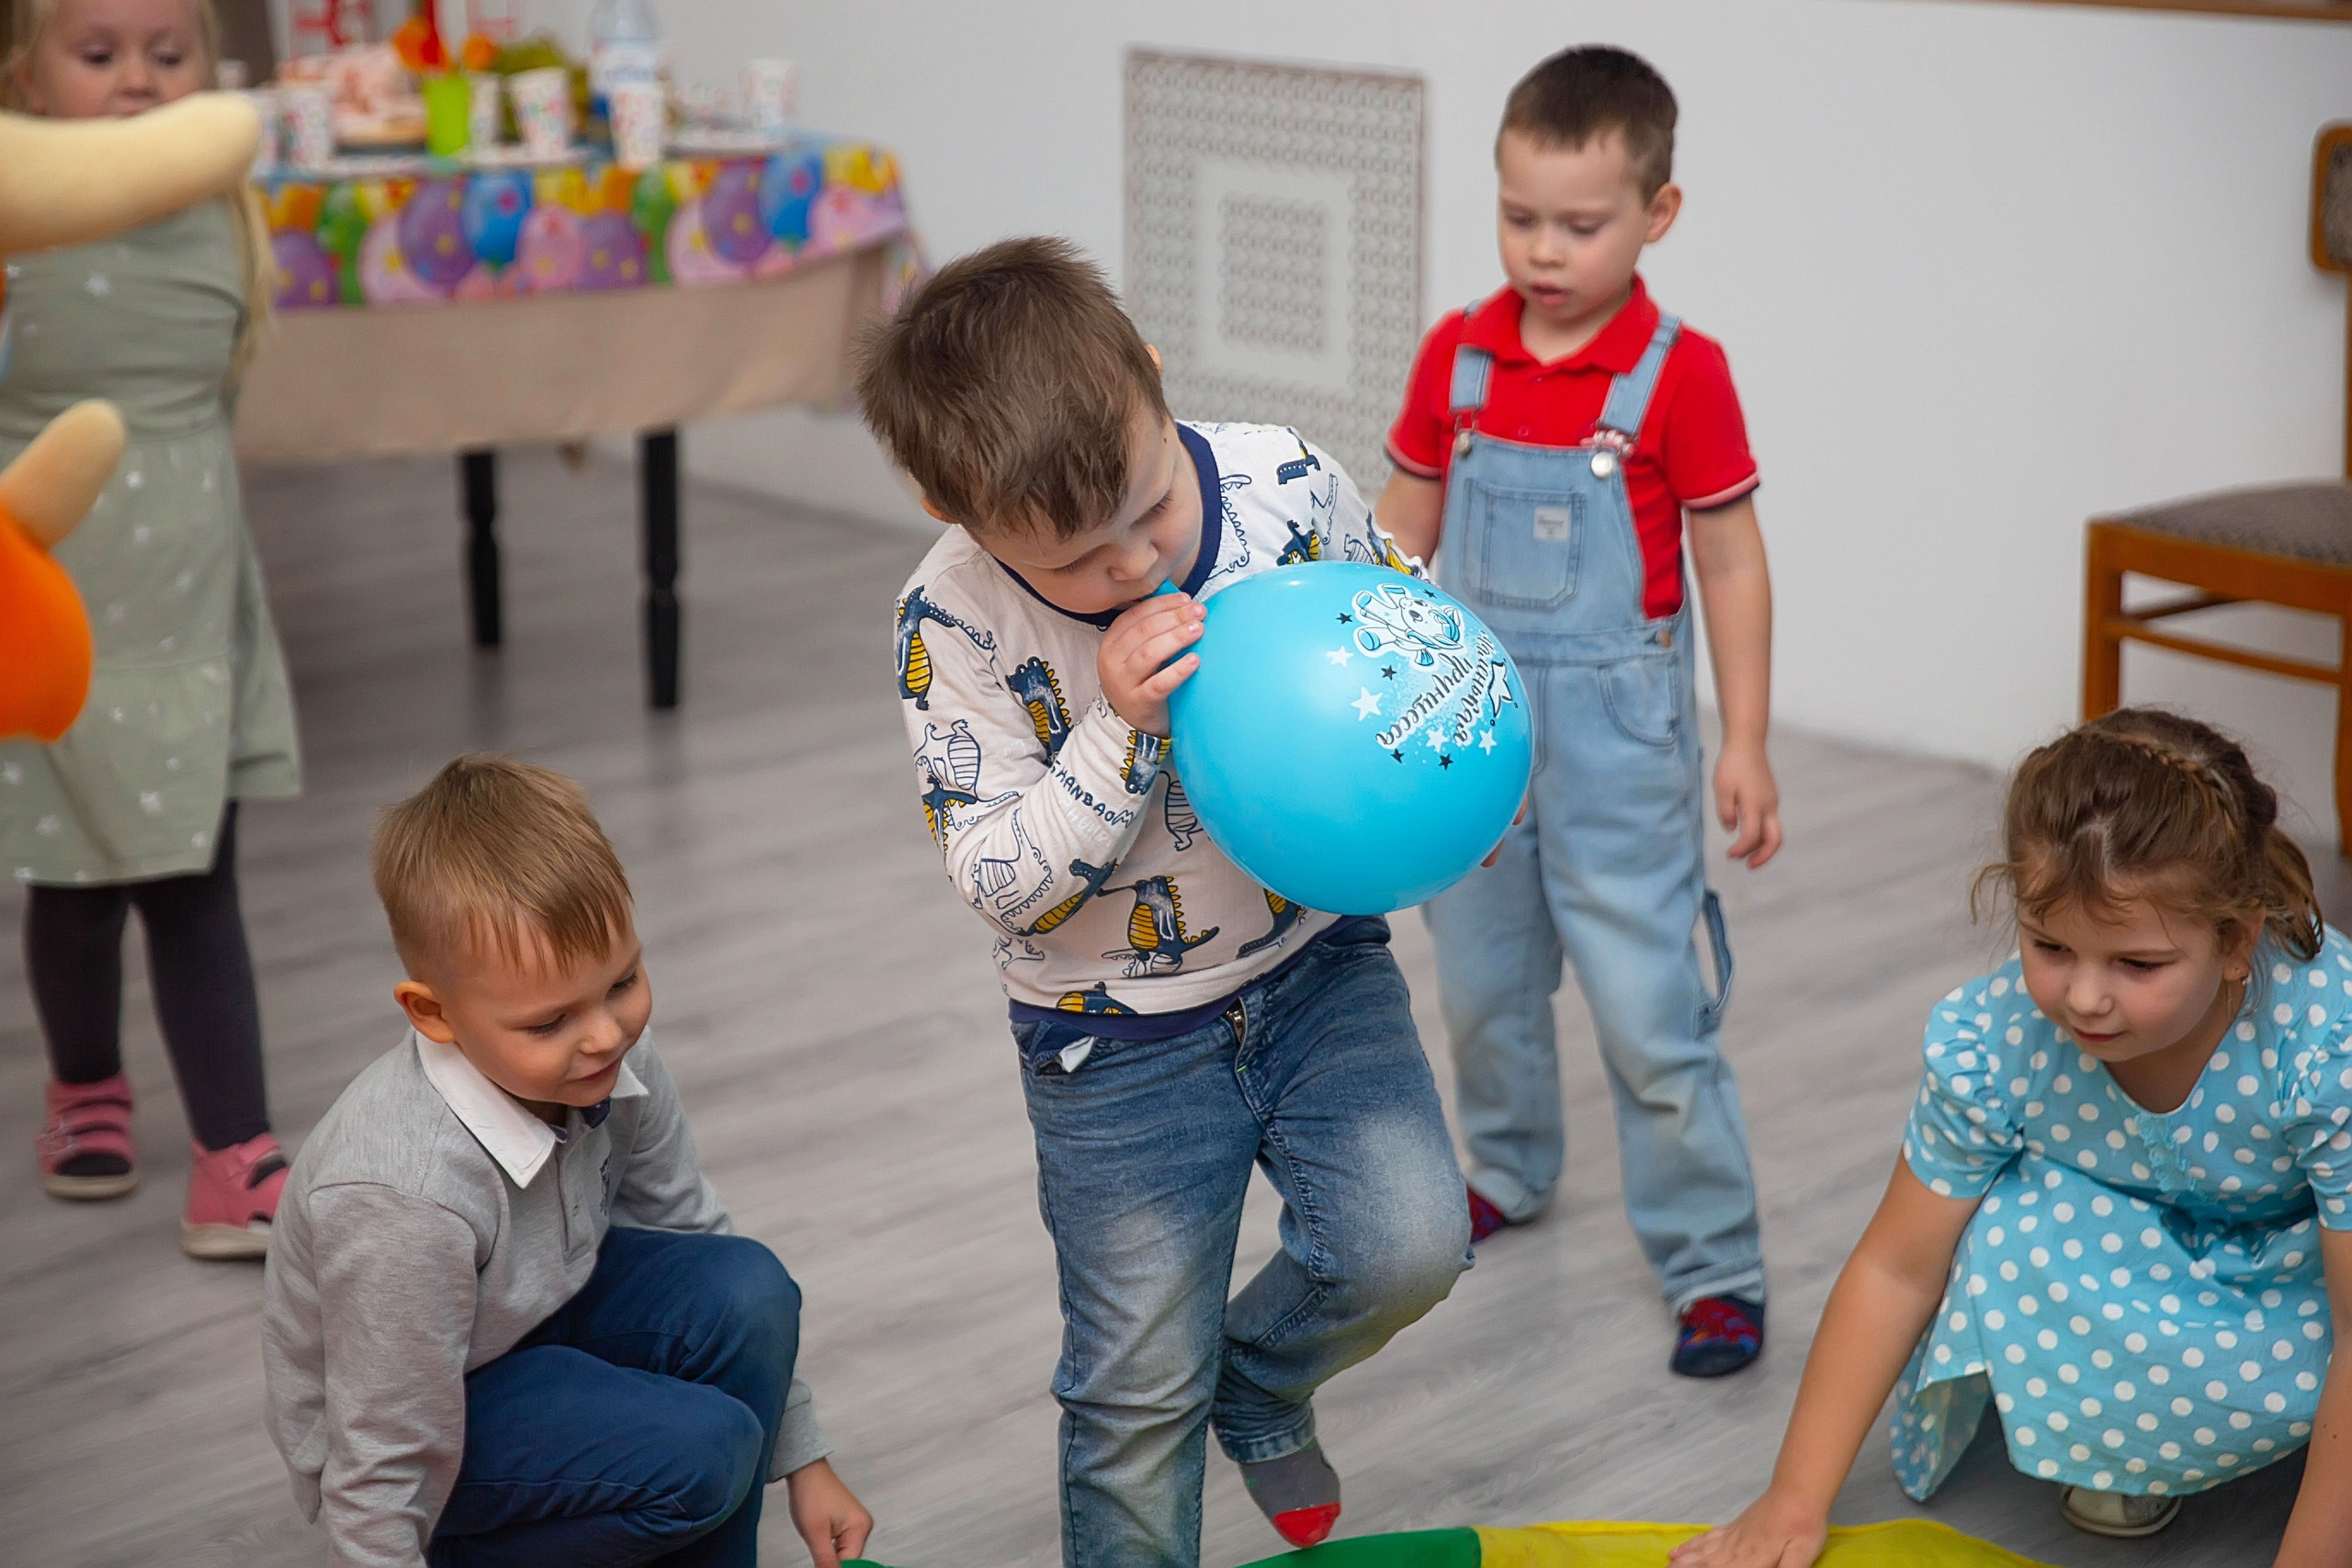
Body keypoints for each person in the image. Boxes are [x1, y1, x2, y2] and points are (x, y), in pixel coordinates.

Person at [857, 237, 1470, 1568]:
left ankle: (1252, 1378)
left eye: (1148, 507)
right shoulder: (950, 622)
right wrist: (1121, 727)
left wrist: (1455, 769)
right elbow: (1000, 880)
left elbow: (1394, 634)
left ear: (1149, 375)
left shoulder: (1282, 483)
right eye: (1081, 558)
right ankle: (1190, 1408)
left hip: (1316, 965)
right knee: (1136, 1389)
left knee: (1413, 1241)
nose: (1137, 564)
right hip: (1113, 1044)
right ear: (952, 504)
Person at [1675, 708, 2352, 1563]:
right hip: (2155, 1253)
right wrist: (1795, 1496)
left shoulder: (2327, 1044)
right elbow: (1896, 1266)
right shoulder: (1994, 1038)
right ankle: (2139, 1442)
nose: (2084, 998)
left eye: (2137, 964)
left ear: (2236, 941)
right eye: (2050, 946)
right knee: (1999, 1225)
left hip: (2308, 1275)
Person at [1377, 44, 1781, 1378]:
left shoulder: (1683, 373)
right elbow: (1400, 532)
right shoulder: (1460, 357)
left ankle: (1713, 1262)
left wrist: (1746, 740)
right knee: (1486, 986)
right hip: (1470, 734)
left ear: (1657, 215)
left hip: (1621, 750)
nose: (1543, 250)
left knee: (1650, 1012)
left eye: (1581, 224)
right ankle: (1508, 1166)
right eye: (1519, 217)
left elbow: (1730, 559)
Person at [260, 755, 873, 1568]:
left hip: (538, 1323)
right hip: (430, 1416)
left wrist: (804, 1453)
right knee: (706, 1449)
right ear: (433, 1012)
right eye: (549, 1021)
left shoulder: (617, 1056)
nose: (605, 1035)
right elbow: (383, 1458)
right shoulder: (401, 1192)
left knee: (747, 1286)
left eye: (622, 981)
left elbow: (693, 1233)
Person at [1, 0, 300, 1258]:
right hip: (55, 586)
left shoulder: (224, 204)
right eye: (99, 53)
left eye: (167, 55)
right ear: (26, 71)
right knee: (71, 881)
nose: (137, 80)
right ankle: (85, 1087)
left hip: (184, 584)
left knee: (193, 869)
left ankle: (234, 1150)